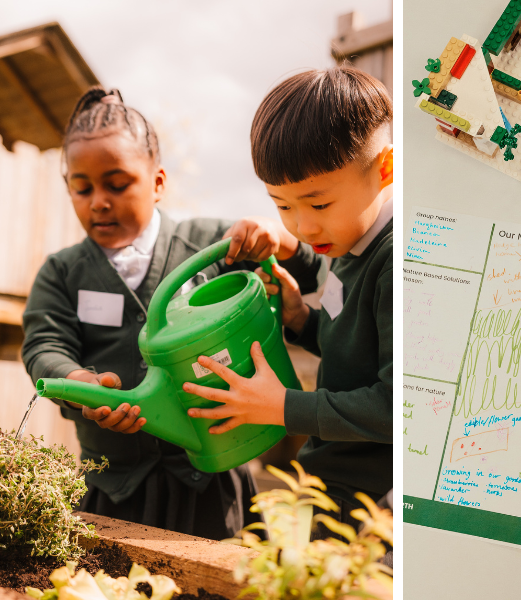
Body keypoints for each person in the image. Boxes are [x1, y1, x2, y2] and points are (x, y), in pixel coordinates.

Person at [21, 87, 322, 540]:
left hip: (214, 482)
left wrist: (279, 241)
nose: (99, 201)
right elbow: (45, 345)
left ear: (158, 182)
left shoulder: (211, 243)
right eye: (81, 189)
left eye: (117, 184)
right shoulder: (62, 273)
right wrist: (81, 386)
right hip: (113, 490)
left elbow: (311, 273)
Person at [185, 66, 392, 530]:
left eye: (318, 205)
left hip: (372, 509)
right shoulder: (349, 240)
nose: (303, 226)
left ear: (385, 169)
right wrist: (302, 319)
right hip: (328, 484)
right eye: (282, 205)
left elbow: (398, 406)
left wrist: (283, 407)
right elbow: (356, 352)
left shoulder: (398, 259)